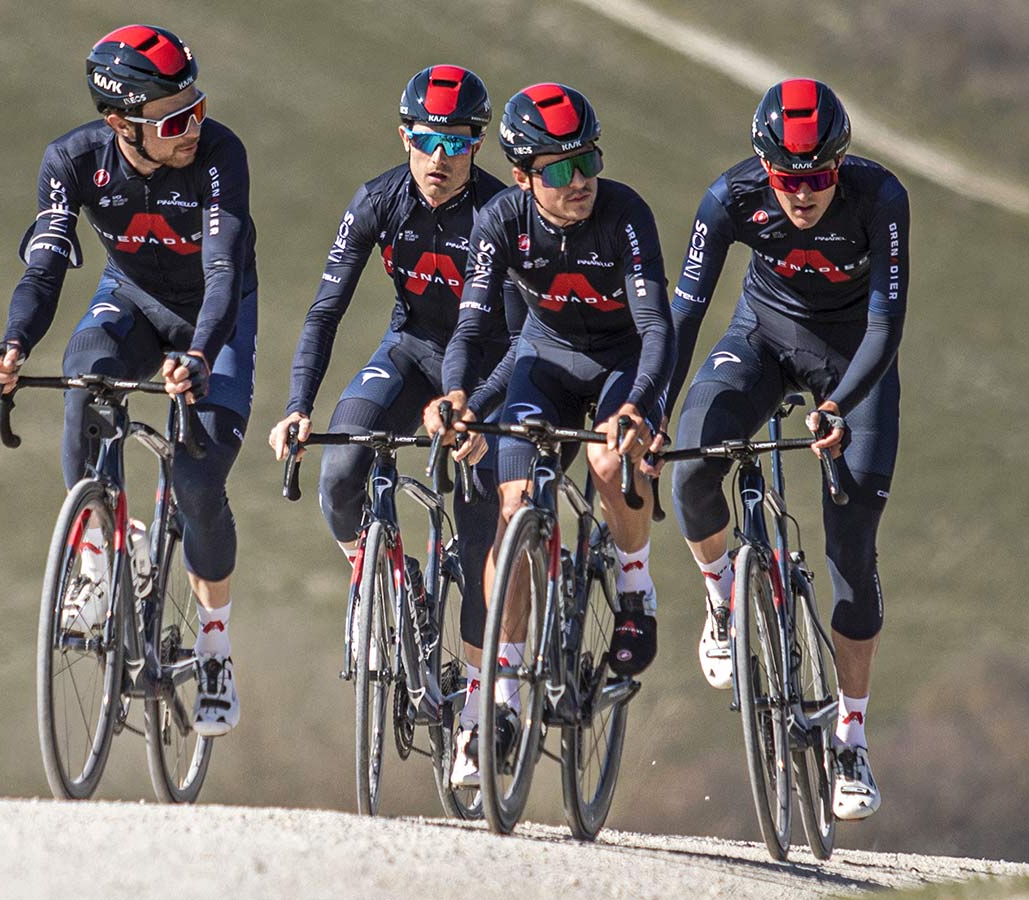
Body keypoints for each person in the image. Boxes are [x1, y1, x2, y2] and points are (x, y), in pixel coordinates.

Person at [0, 24, 258, 737]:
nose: (193, 128)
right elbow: (43, 271)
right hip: (130, 300)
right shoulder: (71, 161)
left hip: (213, 317)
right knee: (84, 378)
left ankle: (216, 644)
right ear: (119, 125)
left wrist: (198, 354)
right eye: (172, 120)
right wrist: (12, 346)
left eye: (196, 108)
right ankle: (100, 549)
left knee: (197, 481)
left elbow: (224, 273)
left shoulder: (220, 155)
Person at [663, 78, 907, 821]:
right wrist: (647, 410)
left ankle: (851, 735)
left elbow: (887, 322)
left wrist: (841, 403)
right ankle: (720, 598)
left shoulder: (881, 198)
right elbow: (685, 312)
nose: (802, 194)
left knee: (851, 549)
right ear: (766, 169)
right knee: (692, 461)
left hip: (852, 363)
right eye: (788, 179)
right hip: (762, 340)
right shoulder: (729, 198)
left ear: (841, 164)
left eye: (818, 177)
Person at [266, 65, 515, 783]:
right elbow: (325, 311)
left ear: (478, 145)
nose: (442, 157)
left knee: (477, 547)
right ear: (405, 136)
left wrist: (479, 408)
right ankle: (377, 578)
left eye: (460, 142)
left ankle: (473, 717)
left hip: (487, 373)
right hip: (408, 352)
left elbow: (528, 335)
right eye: (428, 139)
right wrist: (298, 406)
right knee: (342, 470)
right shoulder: (378, 200)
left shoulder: (501, 213)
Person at [430, 82, 674, 784]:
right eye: (561, 170)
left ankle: (633, 588)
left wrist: (640, 409)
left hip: (620, 364)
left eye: (588, 161)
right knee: (511, 516)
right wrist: (457, 394)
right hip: (543, 364)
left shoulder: (625, 214)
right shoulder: (502, 221)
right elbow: (472, 325)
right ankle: (500, 698)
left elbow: (658, 327)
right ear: (522, 175)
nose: (581, 182)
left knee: (604, 461)